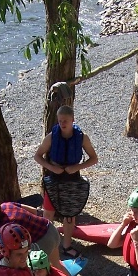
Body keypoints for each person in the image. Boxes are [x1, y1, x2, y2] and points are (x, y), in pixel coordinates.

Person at [33, 105, 98, 259]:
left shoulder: (82, 137)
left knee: (69, 215)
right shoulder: (51, 137)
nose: (62, 124)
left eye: (66, 121)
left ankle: (66, 246)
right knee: (48, 213)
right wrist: (51, 168)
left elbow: (94, 159)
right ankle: (46, 244)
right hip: (54, 179)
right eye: (60, 121)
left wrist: (77, 167)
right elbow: (37, 156)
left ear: (72, 120)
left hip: (72, 179)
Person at [0, 201, 70, 276]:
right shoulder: (5, 205)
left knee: (34, 274)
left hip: (43, 241)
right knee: (57, 265)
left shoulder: (0, 231)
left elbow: (8, 254)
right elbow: (34, 211)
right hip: (50, 229)